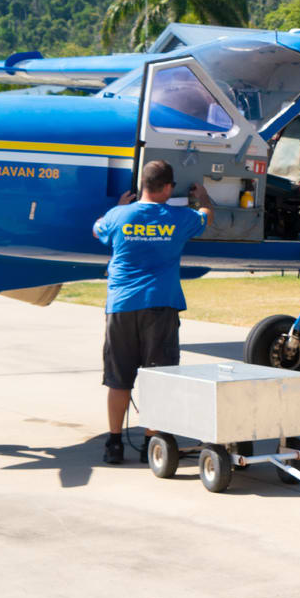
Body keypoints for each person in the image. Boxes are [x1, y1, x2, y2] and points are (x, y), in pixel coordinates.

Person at [92, 160, 215, 465]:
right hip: (160, 305)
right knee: (159, 378)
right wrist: (204, 197)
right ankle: (152, 443)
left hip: (121, 306)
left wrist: (117, 207)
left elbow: (97, 230)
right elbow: (206, 217)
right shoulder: (180, 217)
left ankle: (114, 443)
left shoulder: (119, 216)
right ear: (169, 188)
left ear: (143, 186)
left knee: (118, 380)